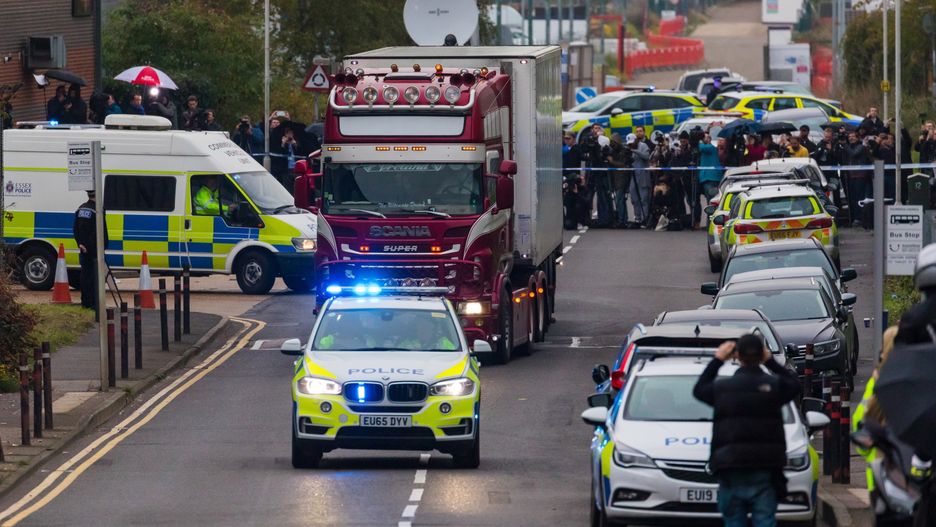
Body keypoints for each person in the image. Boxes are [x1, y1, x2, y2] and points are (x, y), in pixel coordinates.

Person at [693, 334, 801, 527]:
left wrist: (717, 360)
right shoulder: (773, 386)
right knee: (765, 519)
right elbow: (794, 385)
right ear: (762, 355)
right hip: (765, 464)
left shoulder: (723, 388)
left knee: (734, 520)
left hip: (731, 463)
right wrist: (771, 361)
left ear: (737, 357)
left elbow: (699, 389)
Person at [73, 191, 105, 312]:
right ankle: (92, 303)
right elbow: (99, 231)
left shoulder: (81, 209)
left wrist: (80, 243)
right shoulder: (97, 211)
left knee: (85, 276)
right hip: (94, 249)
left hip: (83, 249)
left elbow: (75, 228)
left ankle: (85, 302)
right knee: (93, 278)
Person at [843, 131, 872, 227]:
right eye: (849, 137)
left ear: (857, 138)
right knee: (853, 199)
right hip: (851, 176)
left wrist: (845, 145)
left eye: (853, 136)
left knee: (859, 198)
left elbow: (853, 154)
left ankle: (860, 218)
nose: (851, 138)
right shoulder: (849, 147)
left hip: (860, 176)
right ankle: (855, 217)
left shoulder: (861, 146)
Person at [605, 133, 633, 229]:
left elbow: (623, 164)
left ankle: (622, 220)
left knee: (619, 200)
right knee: (619, 200)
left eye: (614, 142)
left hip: (621, 179)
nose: (612, 144)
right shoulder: (612, 151)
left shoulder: (623, 151)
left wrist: (612, 161)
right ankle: (622, 219)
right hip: (614, 178)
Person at [696, 130, 722, 228]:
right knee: (710, 202)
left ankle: (711, 225)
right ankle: (710, 224)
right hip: (709, 178)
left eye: (705, 137)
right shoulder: (707, 149)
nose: (704, 138)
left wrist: (698, 140)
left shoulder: (710, 148)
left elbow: (699, 146)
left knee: (711, 202)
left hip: (710, 178)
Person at [629, 126, 652, 227]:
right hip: (633, 176)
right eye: (637, 131)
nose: (638, 133)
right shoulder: (629, 146)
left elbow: (647, 157)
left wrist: (635, 151)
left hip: (643, 176)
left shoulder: (644, 146)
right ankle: (637, 218)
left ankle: (645, 219)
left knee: (644, 199)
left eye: (640, 131)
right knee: (634, 198)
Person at [671, 131, 695, 229]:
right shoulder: (677, 150)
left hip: (688, 178)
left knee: (690, 200)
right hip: (679, 178)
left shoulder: (691, 150)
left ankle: (693, 220)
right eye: (681, 139)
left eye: (685, 139)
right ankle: (682, 219)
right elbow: (673, 163)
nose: (683, 141)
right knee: (680, 200)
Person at [562, 133, 583, 229]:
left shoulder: (577, 149)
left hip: (573, 178)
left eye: (568, 138)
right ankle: (568, 221)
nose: (566, 140)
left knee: (574, 201)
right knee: (567, 201)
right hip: (565, 177)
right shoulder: (565, 149)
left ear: (574, 139)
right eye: (565, 139)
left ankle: (575, 221)